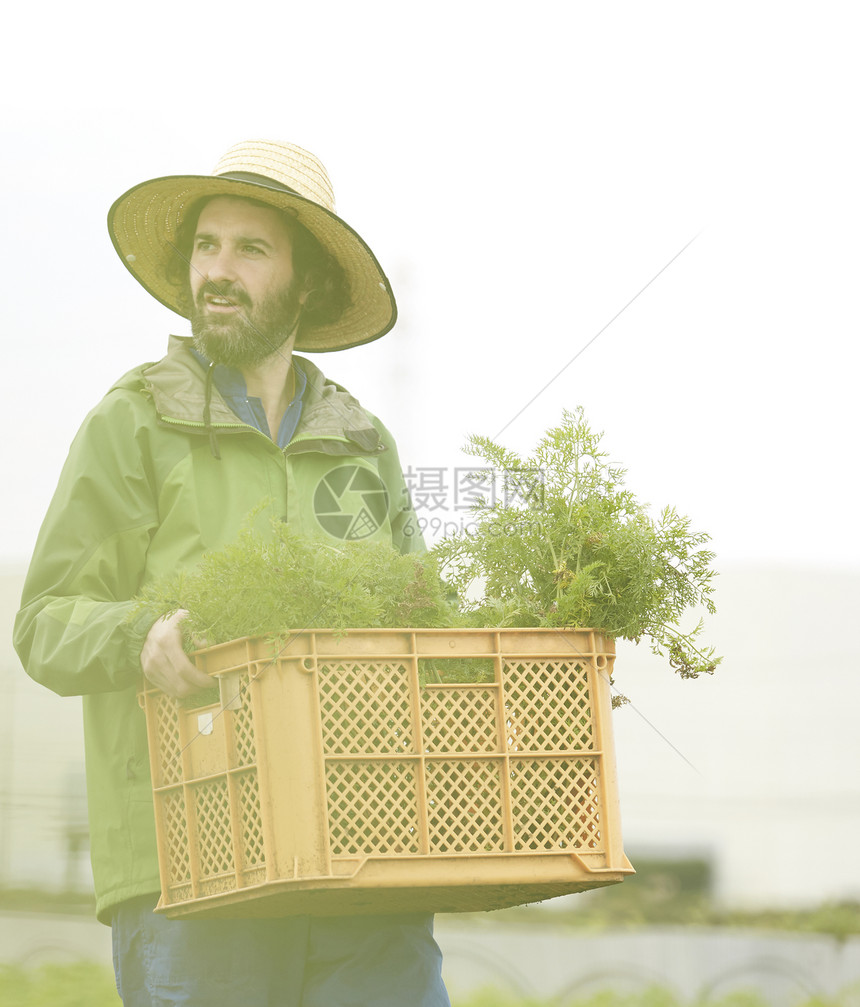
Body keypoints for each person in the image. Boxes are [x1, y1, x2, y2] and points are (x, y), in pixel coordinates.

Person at [14, 140, 450, 1007]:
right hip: (191, 868)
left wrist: (523, 646)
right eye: (207, 245)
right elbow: (43, 623)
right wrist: (142, 634)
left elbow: (420, 629)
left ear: (309, 283)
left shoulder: (363, 446)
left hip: (362, 861)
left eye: (251, 249)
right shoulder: (133, 423)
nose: (218, 269)